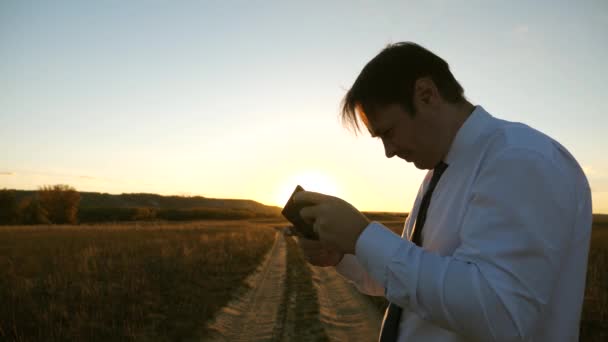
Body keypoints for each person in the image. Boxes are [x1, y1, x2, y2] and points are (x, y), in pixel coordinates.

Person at [293, 42, 592, 341]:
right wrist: (345, 254)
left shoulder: (521, 158)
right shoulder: (440, 173)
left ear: (426, 94)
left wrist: (363, 236)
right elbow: (413, 284)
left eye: (388, 132)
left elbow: (500, 314)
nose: (388, 151)